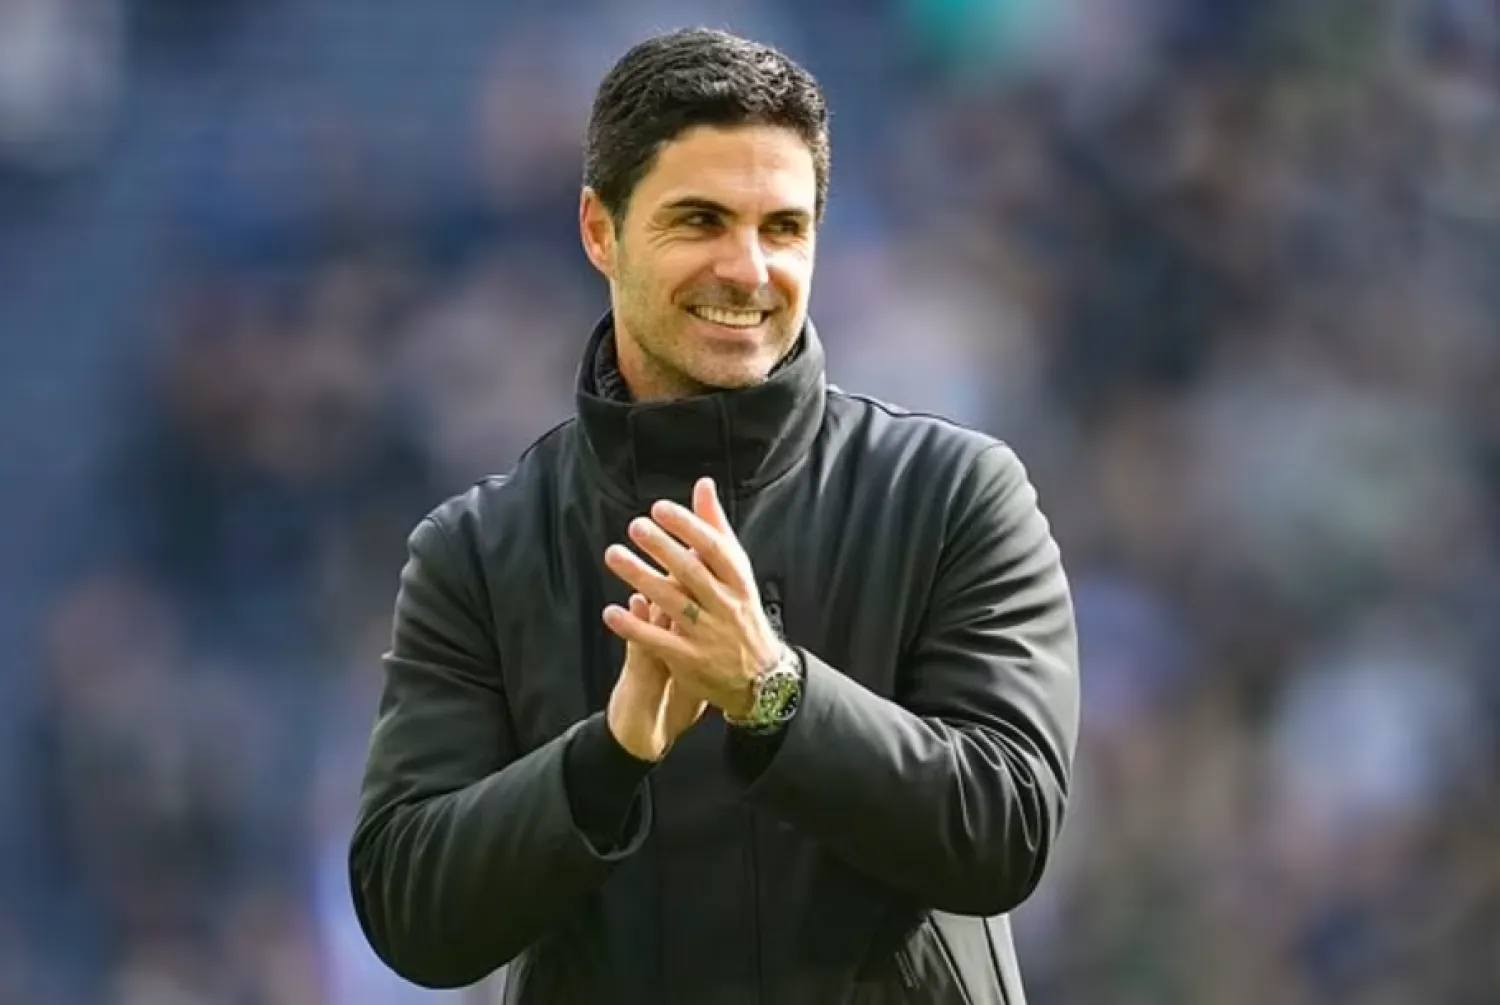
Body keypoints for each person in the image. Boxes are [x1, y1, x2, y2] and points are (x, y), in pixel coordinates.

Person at [349, 26, 1080, 1005]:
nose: (747, 268)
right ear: (599, 230)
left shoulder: (954, 494)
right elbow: (410, 911)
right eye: (699, 220)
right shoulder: (476, 551)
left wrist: (774, 693)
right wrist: (606, 758)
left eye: (782, 228)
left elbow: (1010, 830)